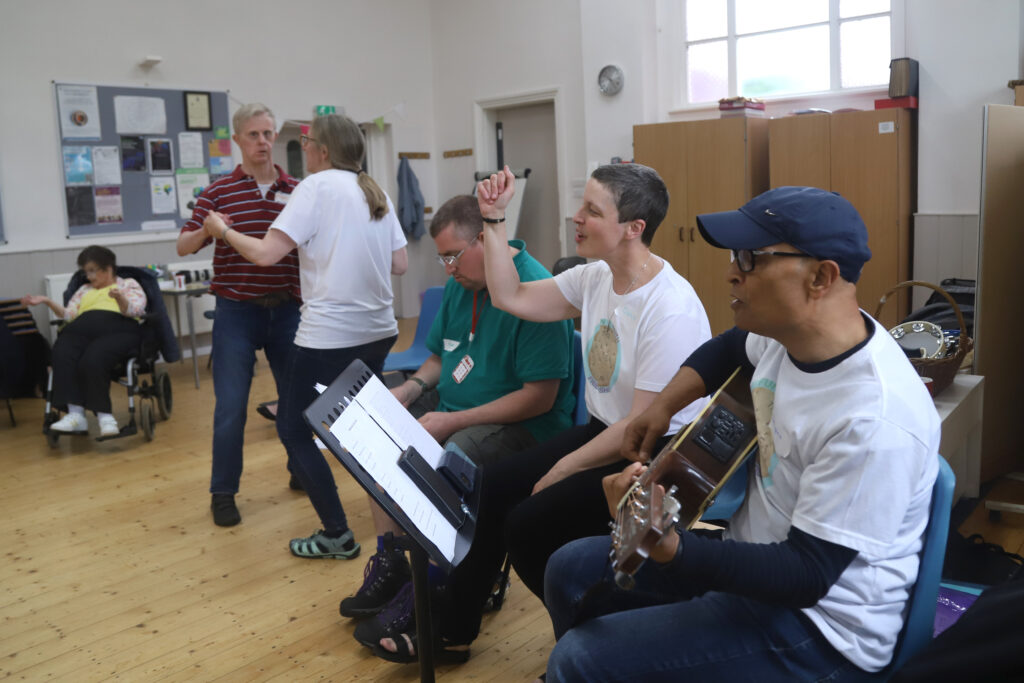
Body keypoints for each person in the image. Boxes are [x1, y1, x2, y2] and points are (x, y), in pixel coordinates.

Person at [542, 186, 942, 682]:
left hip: (820, 631)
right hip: (759, 563)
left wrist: (675, 551)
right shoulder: (788, 336)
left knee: (579, 659)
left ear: (821, 277)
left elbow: (807, 574)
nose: (732, 271)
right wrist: (661, 408)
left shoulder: (872, 417)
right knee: (568, 570)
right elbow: (730, 347)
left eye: (751, 259)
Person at [372, 163, 711, 663]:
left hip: (656, 456)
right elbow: (510, 295)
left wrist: (563, 467)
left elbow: (637, 431)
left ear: (634, 228)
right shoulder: (596, 276)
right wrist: (494, 220)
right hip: (606, 434)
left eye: (592, 211)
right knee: (488, 494)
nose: (576, 218)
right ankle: (454, 630)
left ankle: (597, 651)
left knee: (528, 526)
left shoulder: (670, 307)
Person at [341, 194, 575, 658]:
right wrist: (408, 392)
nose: (447, 267)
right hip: (455, 408)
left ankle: (435, 589)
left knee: (451, 461)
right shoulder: (461, 282)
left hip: (525, 427)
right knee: (375, 441)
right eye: (441, 256)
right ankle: (394, 564)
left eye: (452, 254)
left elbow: (539, 398)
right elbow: (437, 360)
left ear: (485, 239)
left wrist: (450, 419)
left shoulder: (536, 288)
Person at [203, 113, 408, 560]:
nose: (303, 149)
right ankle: (399, 519)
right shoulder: (375, 191)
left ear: (324, 150)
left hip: (330, 335)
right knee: (360, 429)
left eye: (308, 142)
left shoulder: (313, 187)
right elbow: (400, 264)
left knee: (295, 429)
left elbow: (264, 253)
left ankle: (337, 533)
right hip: (379, 331)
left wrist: (222, 231)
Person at [177, 102, 302, 527]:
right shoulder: (216, 193)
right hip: (236, 313)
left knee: (296, 399)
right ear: (238, 140)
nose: (263, 142)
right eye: (254, 135)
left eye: (269, 134)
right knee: (230, 407)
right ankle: (223, 492)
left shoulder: (298, 189)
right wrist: (207, 231)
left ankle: (301, 470)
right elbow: (183, 246)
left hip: (288, 310)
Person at [22, 245, 147, 438]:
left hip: (119, 329)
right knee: (62, 351)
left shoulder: (127, 284)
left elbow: (135, 310)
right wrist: (47, 301)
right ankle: (76, 416)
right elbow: (69, 315)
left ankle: (105, 418)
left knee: (93, 358)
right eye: (85, 272)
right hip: (82, 329)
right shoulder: (83, 290)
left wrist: (120, 298)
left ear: (108, 269)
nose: (88, 277)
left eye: (92, 271)